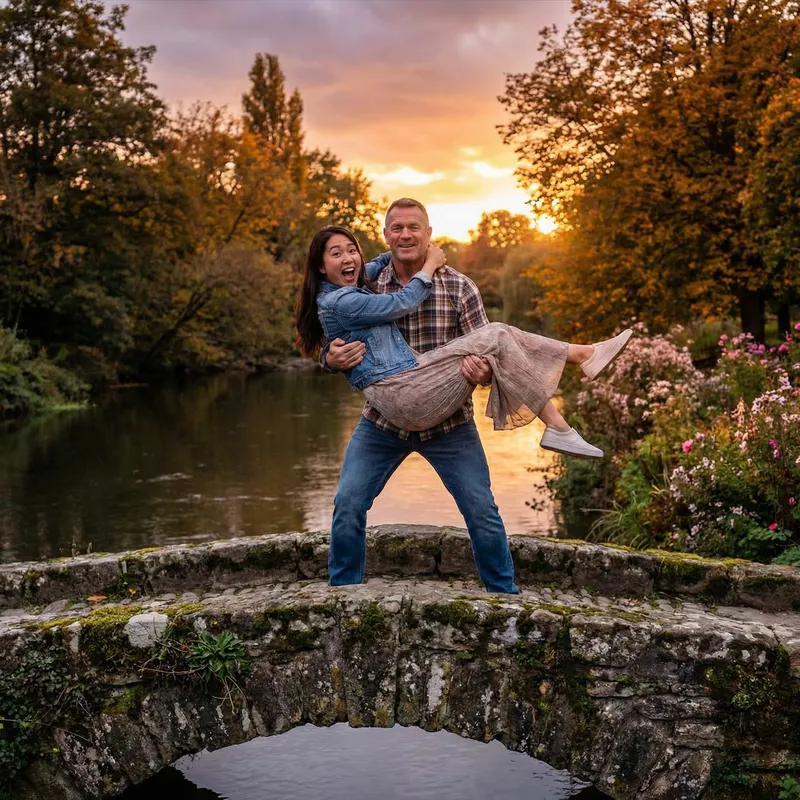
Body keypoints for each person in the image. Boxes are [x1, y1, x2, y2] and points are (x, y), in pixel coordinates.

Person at [295, 199, 629, 593]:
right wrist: (330, 358)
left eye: (414, 227)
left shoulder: (459, 286)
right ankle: (343, 594)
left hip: (449, 420)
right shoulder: (369, 283)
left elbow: (493, 361)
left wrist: (483, 372)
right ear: (385, 236)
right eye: (396, 228)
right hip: (385, 421)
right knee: (348, 501)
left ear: (429, 234)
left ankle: (503, 595)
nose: (405, 235)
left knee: (481, 509)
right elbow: (331, 328)